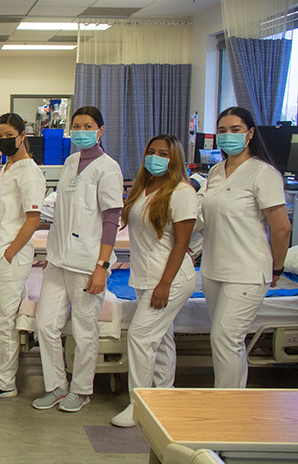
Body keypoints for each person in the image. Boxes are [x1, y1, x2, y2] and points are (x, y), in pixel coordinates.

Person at [33, 106, 123, 413]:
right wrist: (51, 253)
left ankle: (82, 390)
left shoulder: (108, 168)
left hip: (87, 264)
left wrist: (102, 266)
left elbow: (111, 219)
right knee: (45, 324)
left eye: (88, 126)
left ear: (100, 131)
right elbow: (63, 213)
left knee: (85, 330)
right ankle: (57, 385)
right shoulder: (71, 162)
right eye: (76, 125)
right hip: (58, 261)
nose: (81, 130)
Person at [110, 135, 198, 428]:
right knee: (162, 338)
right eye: (151, 151)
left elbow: (180, 245)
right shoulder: (144, 187)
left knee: (140, 336)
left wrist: (164, 284)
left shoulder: (182, 192)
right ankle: (164, 393)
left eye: (164, 153)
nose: (156, 157)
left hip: (170, 278)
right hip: (145, 275)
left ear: (175, 159)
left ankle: (140, 404)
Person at [201, 106, 290, 388]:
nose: (228, 136)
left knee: (225, 337)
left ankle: (224, 410)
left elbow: (281, 228)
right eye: (223, 131)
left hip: (248, 270)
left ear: (250, 134)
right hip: (214, 268)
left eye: (235, 130)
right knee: (226, 340)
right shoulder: (216, 172)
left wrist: (277, 267)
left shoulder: (263, 173)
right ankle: (233, 400)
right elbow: (203, 215)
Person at [0, 113, 45, 400]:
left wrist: (9, 252)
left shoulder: (29, 171)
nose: (2, 140)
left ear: (22, 135)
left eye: (8, 135)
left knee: (4, 320)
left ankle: (4, 382)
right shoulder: (7, 167)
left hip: (9, 258)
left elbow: (33, 219)